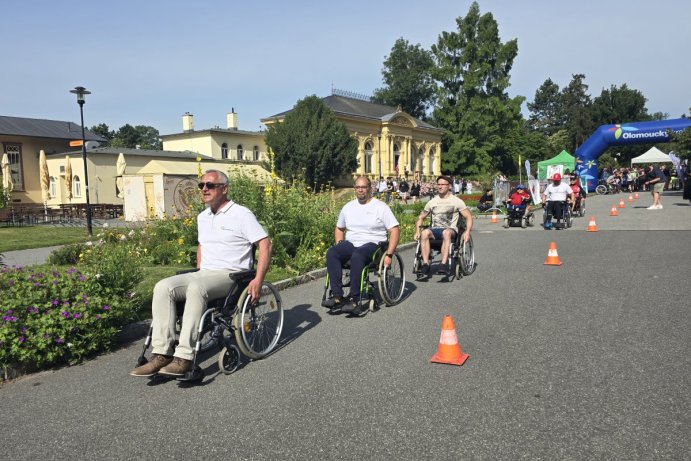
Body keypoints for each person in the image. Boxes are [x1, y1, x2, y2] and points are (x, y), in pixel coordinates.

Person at [130, 170, 271, 377]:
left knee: (197, 288)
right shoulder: (202, 217)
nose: (204, 189)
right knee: (163, 286)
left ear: (224, 189)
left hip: (231, 274)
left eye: (210, 185)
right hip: (205, 272)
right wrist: (199, 270)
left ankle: (184, 358)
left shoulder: (241, 214)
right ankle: (161, 354)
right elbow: (201, 245)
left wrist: (258, 280)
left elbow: (265, 244)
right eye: (201, 185)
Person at [322, 176, 400, 315]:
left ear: (370, 189)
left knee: (357, 256)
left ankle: (354, 299)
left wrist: (389, 253)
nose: (360, 190)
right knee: (332, 252)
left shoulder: (380, 207)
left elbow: (394, 229)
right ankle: (337, 296)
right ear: (354, 189)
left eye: (363, 187)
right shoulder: (348, 207)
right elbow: (339, 228)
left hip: (373, 244)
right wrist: (340, 246)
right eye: (357, 187)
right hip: (352, 243)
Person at [414, 175, 473, 277]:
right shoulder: (432, 202)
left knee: (446, 232)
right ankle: (425, 264)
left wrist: (467, 232)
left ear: (449, 186)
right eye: (438, 184)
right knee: (424, 233)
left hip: (451, 231)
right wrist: (417, 231)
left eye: (443, 184)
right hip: (435, 230)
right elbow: (421, 217)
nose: (440, 187)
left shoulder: (456, 201)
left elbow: (468, 217)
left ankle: (443, 264)